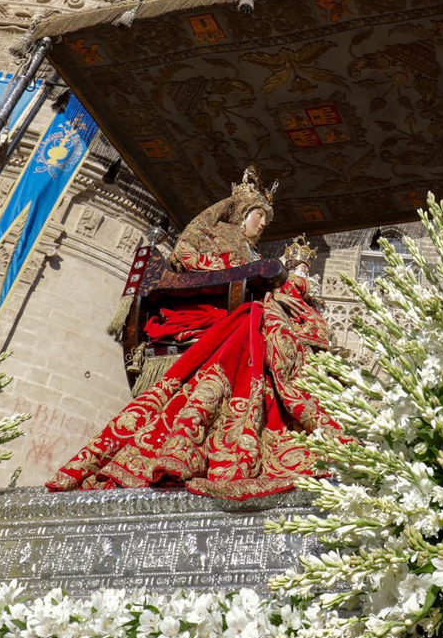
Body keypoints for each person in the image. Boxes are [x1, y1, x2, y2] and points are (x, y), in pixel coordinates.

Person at [46, 167, 339, 500]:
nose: (262, 225)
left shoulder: (253, 251)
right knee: (259, 318)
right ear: (241, 214)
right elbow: (190, 259)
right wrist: (262, 283)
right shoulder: (219, 237)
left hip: (237, 304)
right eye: (259, 216)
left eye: (266, 222)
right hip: (207, 307)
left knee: (287, 323)